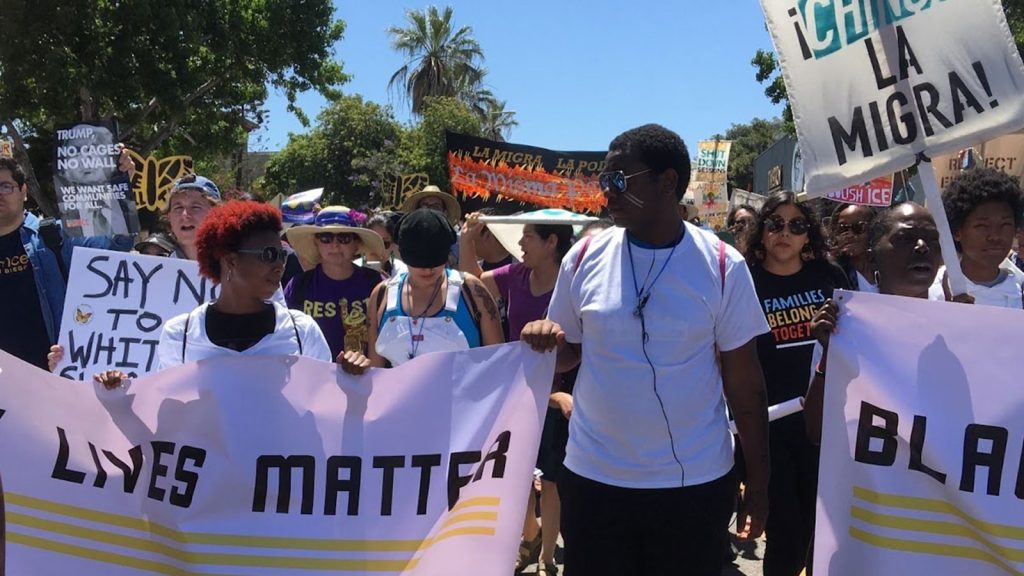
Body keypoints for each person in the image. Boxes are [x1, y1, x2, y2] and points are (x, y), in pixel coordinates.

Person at [520, 124, 771, 576]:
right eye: (604, 182)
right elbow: (567, 352)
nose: (607, 194)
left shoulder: (721, 265)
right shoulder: (584, 257)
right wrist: (543, 342)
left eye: (619, 180)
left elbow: (745, 385)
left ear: (668, 182)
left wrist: (759, 481)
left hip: (693, 485)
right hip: (594, 481)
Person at [87, 201, 331, 388]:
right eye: (268, 254)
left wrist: (354, 381)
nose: (279, 265)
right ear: (230, 260)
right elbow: (164, 413)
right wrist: (117, 394)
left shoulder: (302, 332)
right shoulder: (179, 336)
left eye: (282, 255)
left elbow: (325, 404)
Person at [461, 213, 574, 575]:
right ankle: (531, 535)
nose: (520, 244)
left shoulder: (573, 282)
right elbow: (472, 284)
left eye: (527, 236)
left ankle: (545, 559)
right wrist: (466, 240)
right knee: (518, 471)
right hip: (520, 391)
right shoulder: (515, 276)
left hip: (565, 394)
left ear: (552, 242)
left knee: (553, 478)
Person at [743, 191, 849, 576]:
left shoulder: (830, 276)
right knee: (785, 532)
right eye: (775, 223)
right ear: (761, 232)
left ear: (809, 235)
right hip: (768, 427)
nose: (784, 233)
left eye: (797, 225)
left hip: (824, 424)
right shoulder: (744, 280)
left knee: (820, 530)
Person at [805, 202, 943, 444]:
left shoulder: (956, 324)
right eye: (904, 239)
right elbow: (816, 431)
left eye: (931, 240)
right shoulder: (844, 325)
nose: (922, 247)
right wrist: (830, 355)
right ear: (873, 258)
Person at [0, 156, 133, 370]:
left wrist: (118, 182)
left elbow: (116, 242)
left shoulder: (56, 237)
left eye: (5, 186)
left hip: (55, 381)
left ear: (24, 191)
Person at [339, 209, 503, 373]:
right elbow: (375, 370)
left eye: (435, 261)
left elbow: (499, 362)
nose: (427, 270)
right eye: (418, 262)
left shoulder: (471, 291)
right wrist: (356, 366)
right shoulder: (382, 294)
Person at [283, 206, 385, 359]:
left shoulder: (377, 284)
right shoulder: (298, 286)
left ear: (356, 244)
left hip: (366, 377)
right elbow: (285, 336)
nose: (335, 245)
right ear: (316, 243)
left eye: (344, 238)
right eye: (326, 238)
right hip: (314, 379)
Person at [930, 167, 1024, 307]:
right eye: (982, 226)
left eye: (1005, 224)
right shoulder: (933, 291)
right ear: (957, 231)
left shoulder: (1020, 288)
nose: (995, 236)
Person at [163, 174, 221, 260]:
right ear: (169, 217)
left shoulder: (236, 269)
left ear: (216, 214)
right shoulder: (159, 270)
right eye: (178, 208)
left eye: (195, 207)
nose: (185, 215)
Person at [827, 203, 878, 292]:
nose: (849, 235)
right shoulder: (830, 273)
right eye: (843, 228)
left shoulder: (887, 268)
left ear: (873, 230)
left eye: (858, 227)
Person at [362, 212, 407, 278]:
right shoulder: (351, 271)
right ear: (362, 243)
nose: (378, 249)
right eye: (372, 243)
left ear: (393, 245)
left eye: (385, 243)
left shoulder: (402, 272)